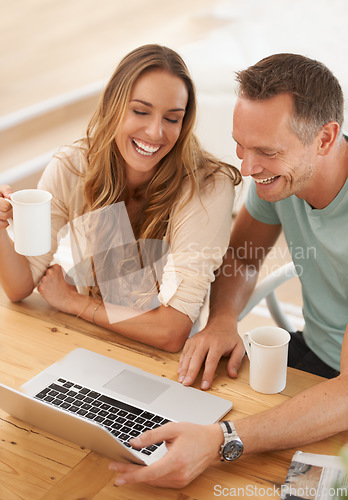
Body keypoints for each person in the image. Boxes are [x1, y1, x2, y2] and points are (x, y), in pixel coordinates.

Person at [108, 53, 348, 488]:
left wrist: (223, 440)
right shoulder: (280, 177)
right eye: (241, 145)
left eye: (267, 152)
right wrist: (221, 320)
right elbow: (241, 258)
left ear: (326, 137)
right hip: (314, 354)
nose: (248, 168)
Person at [0, 44, 241, 352]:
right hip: (87, 343)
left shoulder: (208, 186)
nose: (155, 132)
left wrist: (75, 302)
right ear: (113, 105)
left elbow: (170, 331)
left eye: (172, 118)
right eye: (140, 111)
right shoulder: (73, 167)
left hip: (158, 361)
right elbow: (19, 287)